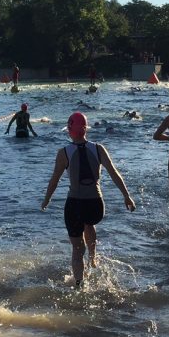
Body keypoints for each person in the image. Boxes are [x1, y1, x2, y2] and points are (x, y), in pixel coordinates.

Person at [42, 112, 135, 286]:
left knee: (77, 249)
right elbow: (114, 173)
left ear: (69, 129)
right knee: (89, 224)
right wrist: (126, 196)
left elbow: (54, 179)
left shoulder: (63, 153)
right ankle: (92, 258)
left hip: (75, 205)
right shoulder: (99, 149)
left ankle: (79, 284)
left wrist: (46, 199)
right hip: (96, 205)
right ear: (86, 129)